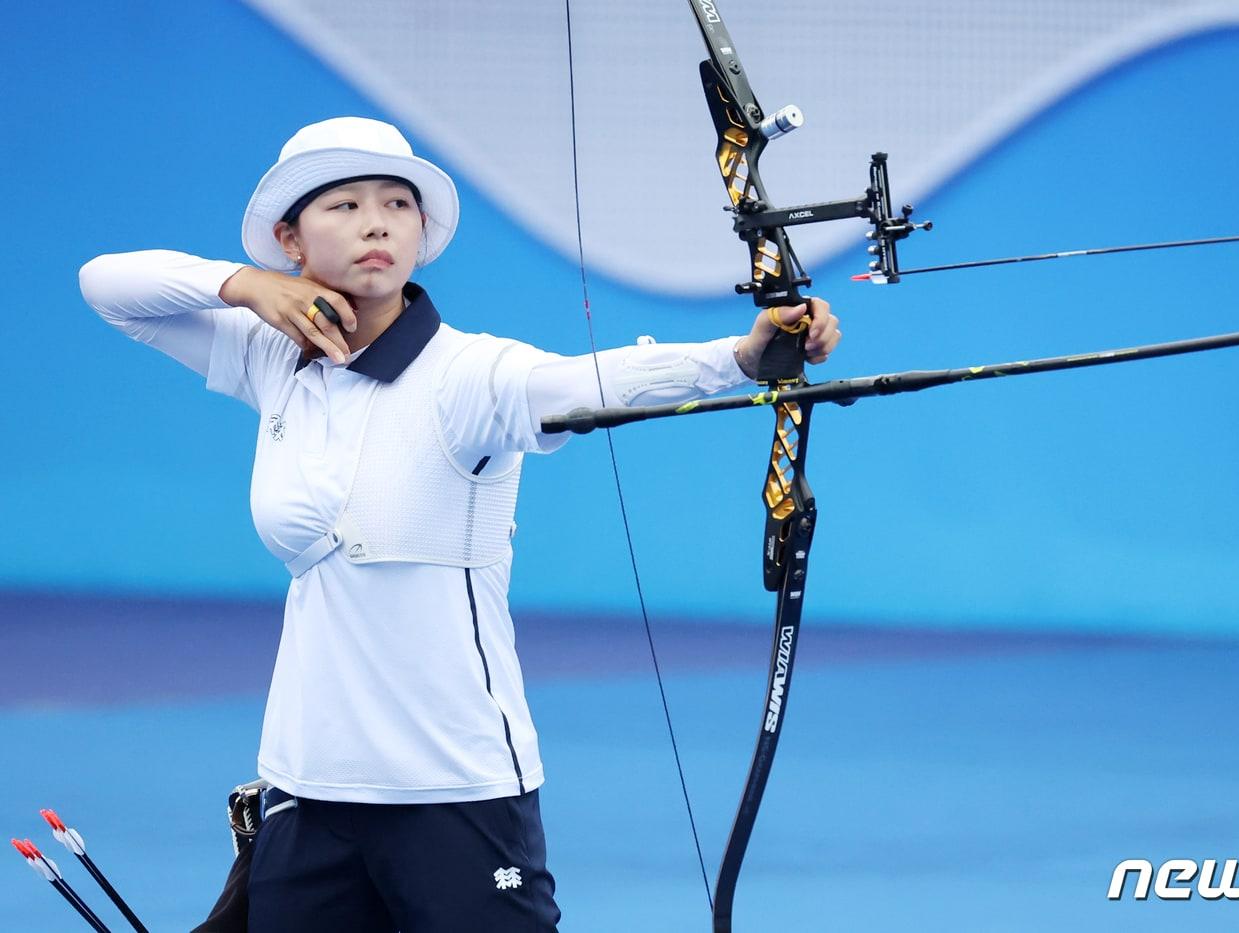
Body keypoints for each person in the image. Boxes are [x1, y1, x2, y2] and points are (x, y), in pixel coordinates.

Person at [78, 116, 840, 931]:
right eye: (343, 204)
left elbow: (584, 378)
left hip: (456, 789)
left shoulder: (468, 374)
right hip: (306, 785)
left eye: (397, 203)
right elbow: (107, 284)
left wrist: (740, 358)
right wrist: (246, 284)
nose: (377, 221)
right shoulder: (275, 357)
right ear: (289, 239)